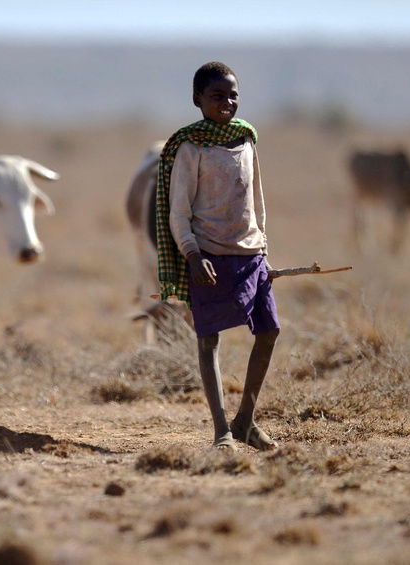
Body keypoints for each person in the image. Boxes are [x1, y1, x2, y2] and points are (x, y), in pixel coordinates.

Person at [155, 61, 280, 451]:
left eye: (232, 96)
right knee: (208, 340)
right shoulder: (190, 148)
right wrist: (192, 255)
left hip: (251, 255)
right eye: (216, 96)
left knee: (270, 330)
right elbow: (179, 212)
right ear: (197, 100)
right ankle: (221, 431)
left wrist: (264, 251)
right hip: (208, 257)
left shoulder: (247, 141)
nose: (226, 103)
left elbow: (257, 203)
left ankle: (246, 420)